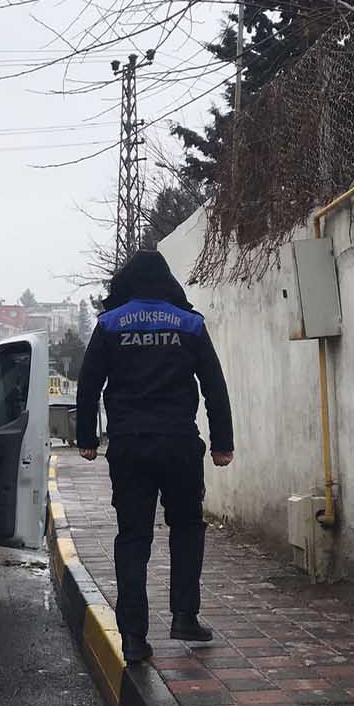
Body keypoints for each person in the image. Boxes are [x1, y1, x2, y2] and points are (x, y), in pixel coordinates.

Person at [75, 251, 234, 665]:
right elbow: (214, 386)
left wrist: (87, 438)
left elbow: (89, 383)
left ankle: (132, 638)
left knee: (133, 538)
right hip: (179, 443)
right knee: (185, 528)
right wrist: (222, 443)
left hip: (129, 445)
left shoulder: (110, 324)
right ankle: (184, 616)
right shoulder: (190, 323)